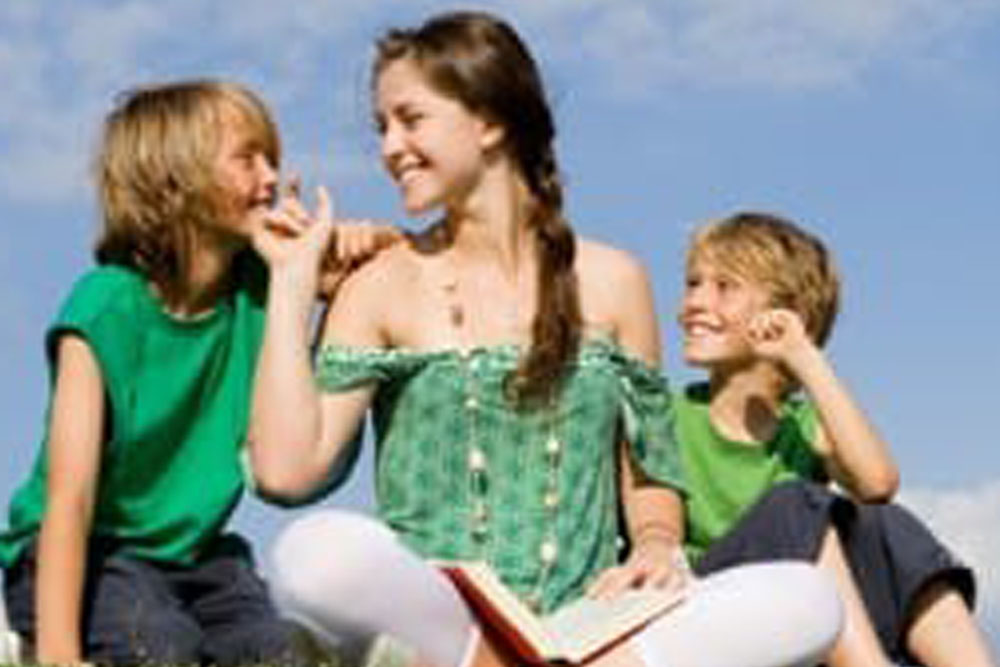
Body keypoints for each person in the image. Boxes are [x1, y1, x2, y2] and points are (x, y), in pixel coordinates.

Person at [248, 11, 843, 667]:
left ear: (489, 122)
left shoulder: (615, 280)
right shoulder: (380, 284)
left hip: (590, 621)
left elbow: (649, 474)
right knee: (314, 555)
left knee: (810, 598)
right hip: (449, 618)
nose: (390, 147)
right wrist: (291, 283)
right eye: (382, 127)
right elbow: (285, 473)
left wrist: (654, 544)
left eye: (410, 119)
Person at [0, 79, 394, 666]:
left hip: (202, 562)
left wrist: (364, 246)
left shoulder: (265, 285)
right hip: (90, 555)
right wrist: (60, 654)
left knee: (278, 652)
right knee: (160, 646)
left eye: (271, 159)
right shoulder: (104, 308)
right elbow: (69, 497)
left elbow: (391, 265)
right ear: (174, 182)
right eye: (247, 160)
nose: (271, 178)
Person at [674, 211, 996, 666]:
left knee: (884, 523)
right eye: (692, 284)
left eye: (724, 287)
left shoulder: (805, 426)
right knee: (793, 504)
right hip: (706, 607)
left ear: (785, 315)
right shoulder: (667, 416)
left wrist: (804, 356)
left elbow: (878, 483)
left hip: (794, 618)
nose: (694, 302)